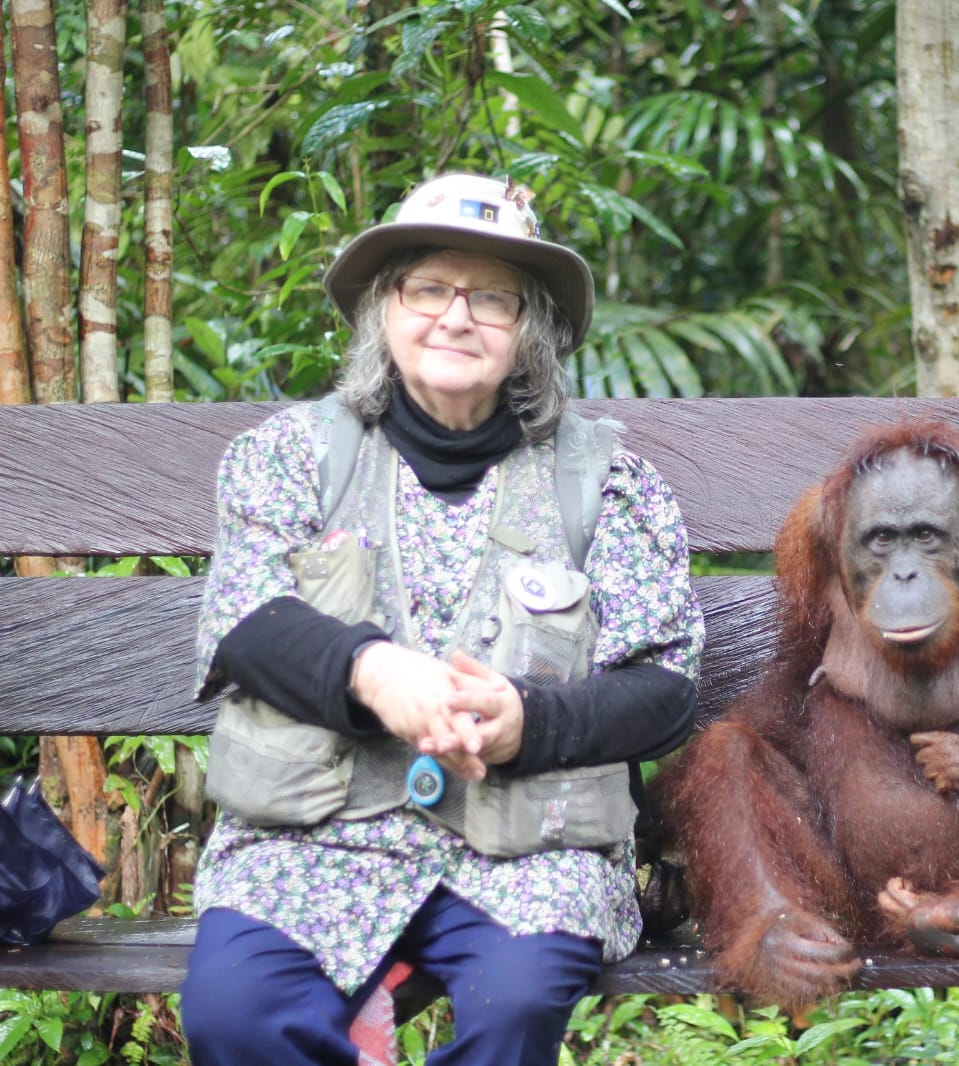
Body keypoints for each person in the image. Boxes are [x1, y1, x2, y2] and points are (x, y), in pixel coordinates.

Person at [179, 173, 705, 1065]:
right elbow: (246, 621)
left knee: (515, 1006)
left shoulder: (606, 482)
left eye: (490, 297)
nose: (456, 317)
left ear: (527, 330)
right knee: (236, 1013)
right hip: (314, 844)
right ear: (385, 310)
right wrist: (378, 672)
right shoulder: (287, 458)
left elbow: (664, 688)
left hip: (527, 855)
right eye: (428, 288)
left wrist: (530, 722)